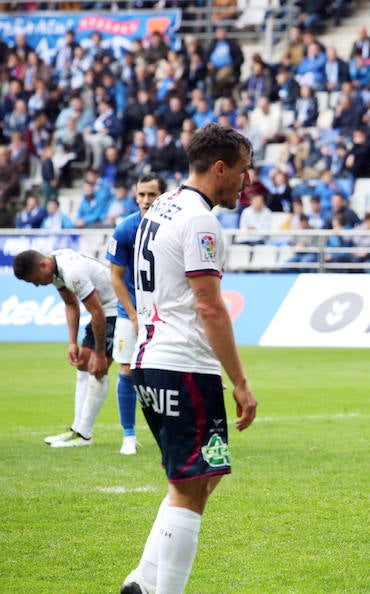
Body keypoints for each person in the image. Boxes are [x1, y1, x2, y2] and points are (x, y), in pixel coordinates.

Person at [120, 124, 258, 594]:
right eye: (242, 171)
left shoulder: (161, 205)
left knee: (202, 475)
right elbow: (209, 305)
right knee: (190, 486)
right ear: (220, 168)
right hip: (179, 362)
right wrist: (239, 380)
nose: (247, 181)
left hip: (156, 357)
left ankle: (143, 579)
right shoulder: (201, 221)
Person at [13, 248, 118, 448]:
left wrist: (101, 354)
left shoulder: (73, 272)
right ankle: (77, 429)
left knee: (97, 368)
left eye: (34, 279)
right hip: (103, 311)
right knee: (83, 364)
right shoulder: (55, 268)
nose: (36, 285)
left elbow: (97, 313)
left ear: (42, 265)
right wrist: (72, 342)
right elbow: (71, 304)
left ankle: (84, 435)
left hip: (115, 309)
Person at [105, 172, 166, 455]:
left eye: (151, 194)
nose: (145, 200)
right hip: (131, 311)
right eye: (141, 195)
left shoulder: (171, 227)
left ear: (162, 196)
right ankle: (128, 436)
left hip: (164, 311)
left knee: (165, 372)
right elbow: (115, 278)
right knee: (127, 369)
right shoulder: (125, 229)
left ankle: (167, 432)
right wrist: (132, 314)